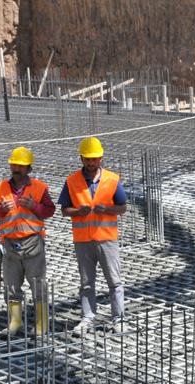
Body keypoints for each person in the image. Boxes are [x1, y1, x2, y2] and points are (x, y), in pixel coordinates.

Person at [58, 137, 127, 337]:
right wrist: (77, 211)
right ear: (81, 158)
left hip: (107, 239)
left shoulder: (112, 179)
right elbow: (64, 209)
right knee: (87, 282)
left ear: (101, 158)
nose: (91, 163)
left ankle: (119, 319)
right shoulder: (72, 181)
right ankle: (88, 317)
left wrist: (108, 209)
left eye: (94, 159)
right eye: (87, 159)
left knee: (114, 281)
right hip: (83, 240)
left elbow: (123, 207)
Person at [0, 146, 55, 336]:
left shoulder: (39, 187)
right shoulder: (1, 187)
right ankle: (15, 322)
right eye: (14, 165)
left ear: (28, 168)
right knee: (11, 286)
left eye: (21, 166)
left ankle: (42, 323)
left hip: (33, 244)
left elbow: (49, 210)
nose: (17, 168)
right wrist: (0, 209)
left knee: (38, 284)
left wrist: (34, 206)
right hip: (10, 245)